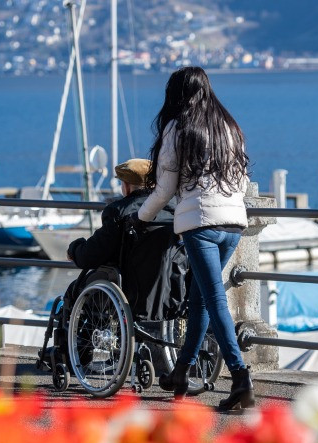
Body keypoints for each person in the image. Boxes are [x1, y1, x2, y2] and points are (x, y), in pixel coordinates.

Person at [136, 66, 254, 412]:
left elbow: (165, 190)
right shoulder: (229, 127)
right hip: (233, 224)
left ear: (176, 95)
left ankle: (241, 378)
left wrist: (141, 217)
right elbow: (242, 181)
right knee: (199, 298)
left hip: (201, 224)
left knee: (213, 299)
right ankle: (182, 371)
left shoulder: (179, 127)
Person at [66, 158, 173, 268]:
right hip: (172, 277)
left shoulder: (118, 211)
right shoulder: (173, 206)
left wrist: (74, 249)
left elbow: (90, 256)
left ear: (126, 186)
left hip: (132, 278)